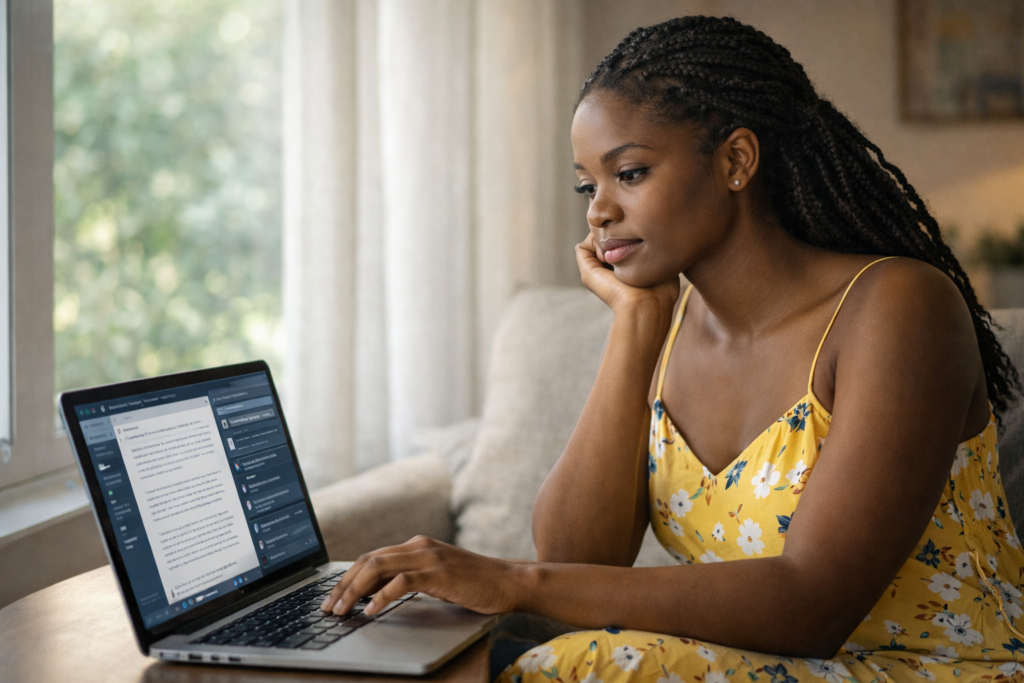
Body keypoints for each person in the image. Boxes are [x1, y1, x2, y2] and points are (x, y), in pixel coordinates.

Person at [320, 16, 1023, 682]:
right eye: (587, 184)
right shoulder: (669, 320)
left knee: (574, 664)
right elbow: (574, 558)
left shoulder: (899, 307)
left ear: (736, 161)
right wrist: (635, 324)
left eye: (629, 174)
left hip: (932, 668)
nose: (598, 209)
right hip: (747, 665)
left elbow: (813, 603)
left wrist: (510, 578)